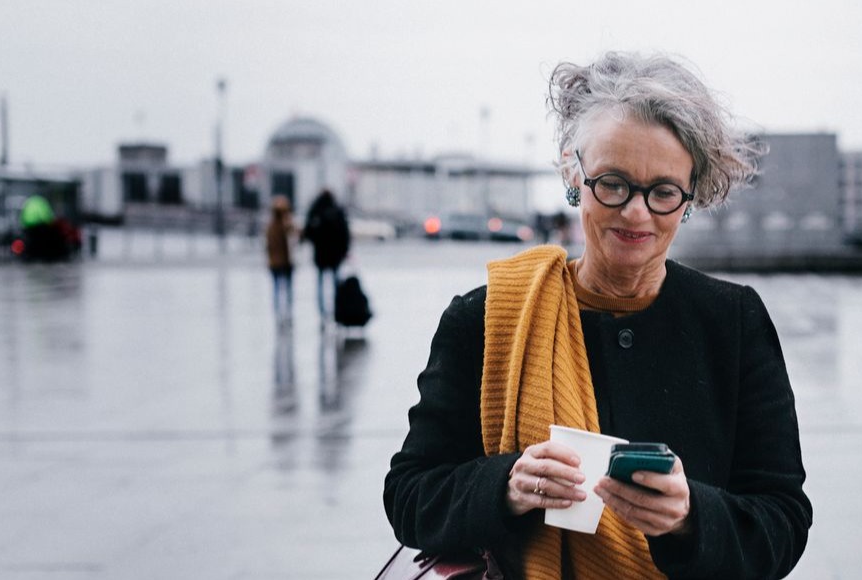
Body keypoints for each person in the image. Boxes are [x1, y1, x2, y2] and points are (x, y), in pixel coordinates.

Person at [384, 52, 811, 579]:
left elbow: (783, 520)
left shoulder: (733, 321)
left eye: (663, 192)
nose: (637, 211)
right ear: (573, 172)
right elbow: (408, 496)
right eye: (613, 183)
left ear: (689, 196)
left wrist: (690, 516)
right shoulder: (487, 317)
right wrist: (507, 486)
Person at [301, 189, 350, 322]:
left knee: (320, 284)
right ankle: (335, 308)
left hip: (321, 255)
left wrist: (317, 240)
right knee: (335, 283)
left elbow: (307, 232)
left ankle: (322, 312)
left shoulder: (316, 211)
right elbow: (345, 233)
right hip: (335, 255)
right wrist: (345, 251)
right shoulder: (337, 211)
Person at [265, 195, 296, 323]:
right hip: (286, 262)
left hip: (274, 262)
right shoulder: (286, 225)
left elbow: (268, 245)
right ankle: (287, 311)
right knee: (287, 288)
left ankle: (278, 311)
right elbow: (293, 242)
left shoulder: (270, 227)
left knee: (277, 288)